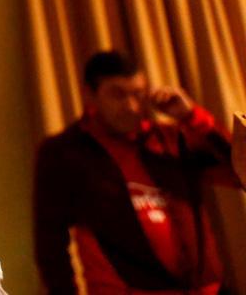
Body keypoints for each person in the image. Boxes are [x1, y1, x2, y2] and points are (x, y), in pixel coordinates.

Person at [33, 49, 238, 295]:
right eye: (118, 95)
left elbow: (241, 171)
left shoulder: (171, 139)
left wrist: (191, 116)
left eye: (138, 95)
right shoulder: (64, 152)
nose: (131, 106)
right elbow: (50, 242)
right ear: (89, 95)